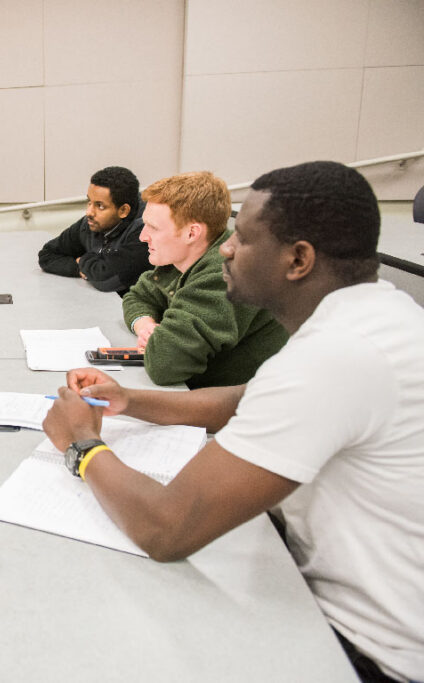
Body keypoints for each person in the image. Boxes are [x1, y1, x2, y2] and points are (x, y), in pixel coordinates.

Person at [43, 161, 424, 683]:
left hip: (365, 651)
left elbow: (166, 529)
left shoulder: (335, 357)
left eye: (242, 239)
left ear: (298, 260)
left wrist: (82, 444)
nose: (224, 248)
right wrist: (129, 401)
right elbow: (246, 398)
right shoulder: (379, 314)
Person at [122, 171, 287, 388]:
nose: (143, 236)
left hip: (242, 409)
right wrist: (147, 327)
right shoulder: (183, 257)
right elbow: (137, 296)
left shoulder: (226, 274)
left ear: (192, 233)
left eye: (153, 227)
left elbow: (165, 364)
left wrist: (159, 339)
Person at [37, 166, 151, 293]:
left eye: (100, 206)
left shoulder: (146, 231)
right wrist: (80, 268)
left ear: (123, 210)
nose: (89, 212)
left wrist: (84, 260)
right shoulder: (90, 223)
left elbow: (106, 280)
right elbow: (47, 255)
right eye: (89, 202)